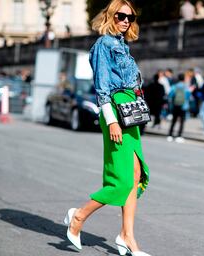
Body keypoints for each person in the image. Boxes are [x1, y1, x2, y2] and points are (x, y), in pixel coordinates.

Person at [63, 1, 151, 255]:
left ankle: (127, 236)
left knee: (135, 175)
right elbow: (102, 86)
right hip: (116, 111)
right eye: (121, 16)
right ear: (110, 16)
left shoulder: (122, 44)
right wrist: (111, 119)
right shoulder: (104, 44)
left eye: (130, 17)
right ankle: (78, 216)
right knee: (121, 180)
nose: (126, 21)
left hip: (129, 111)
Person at [167, 73, 192, 143]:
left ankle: (170, 135)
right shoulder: (186, 87)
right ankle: (179, 136)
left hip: (175, 105)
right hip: (184, 106)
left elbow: (170, 95)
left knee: (174, 121)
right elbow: (188, 97)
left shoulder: (174, 86)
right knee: (182, 122)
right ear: (184, 79)